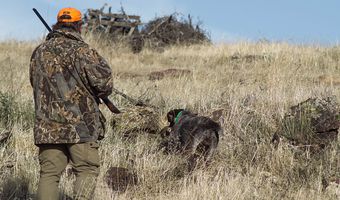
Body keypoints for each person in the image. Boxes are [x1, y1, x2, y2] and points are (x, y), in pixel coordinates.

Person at [30, 7, 113, 200]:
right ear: (79, 26)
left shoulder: (39, 51)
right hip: (81, 126)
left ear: (57, 25)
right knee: (86, 170)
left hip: (47, 126)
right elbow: (105, 84)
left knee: (49, 174)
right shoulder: (83, 51)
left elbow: (35, 82)